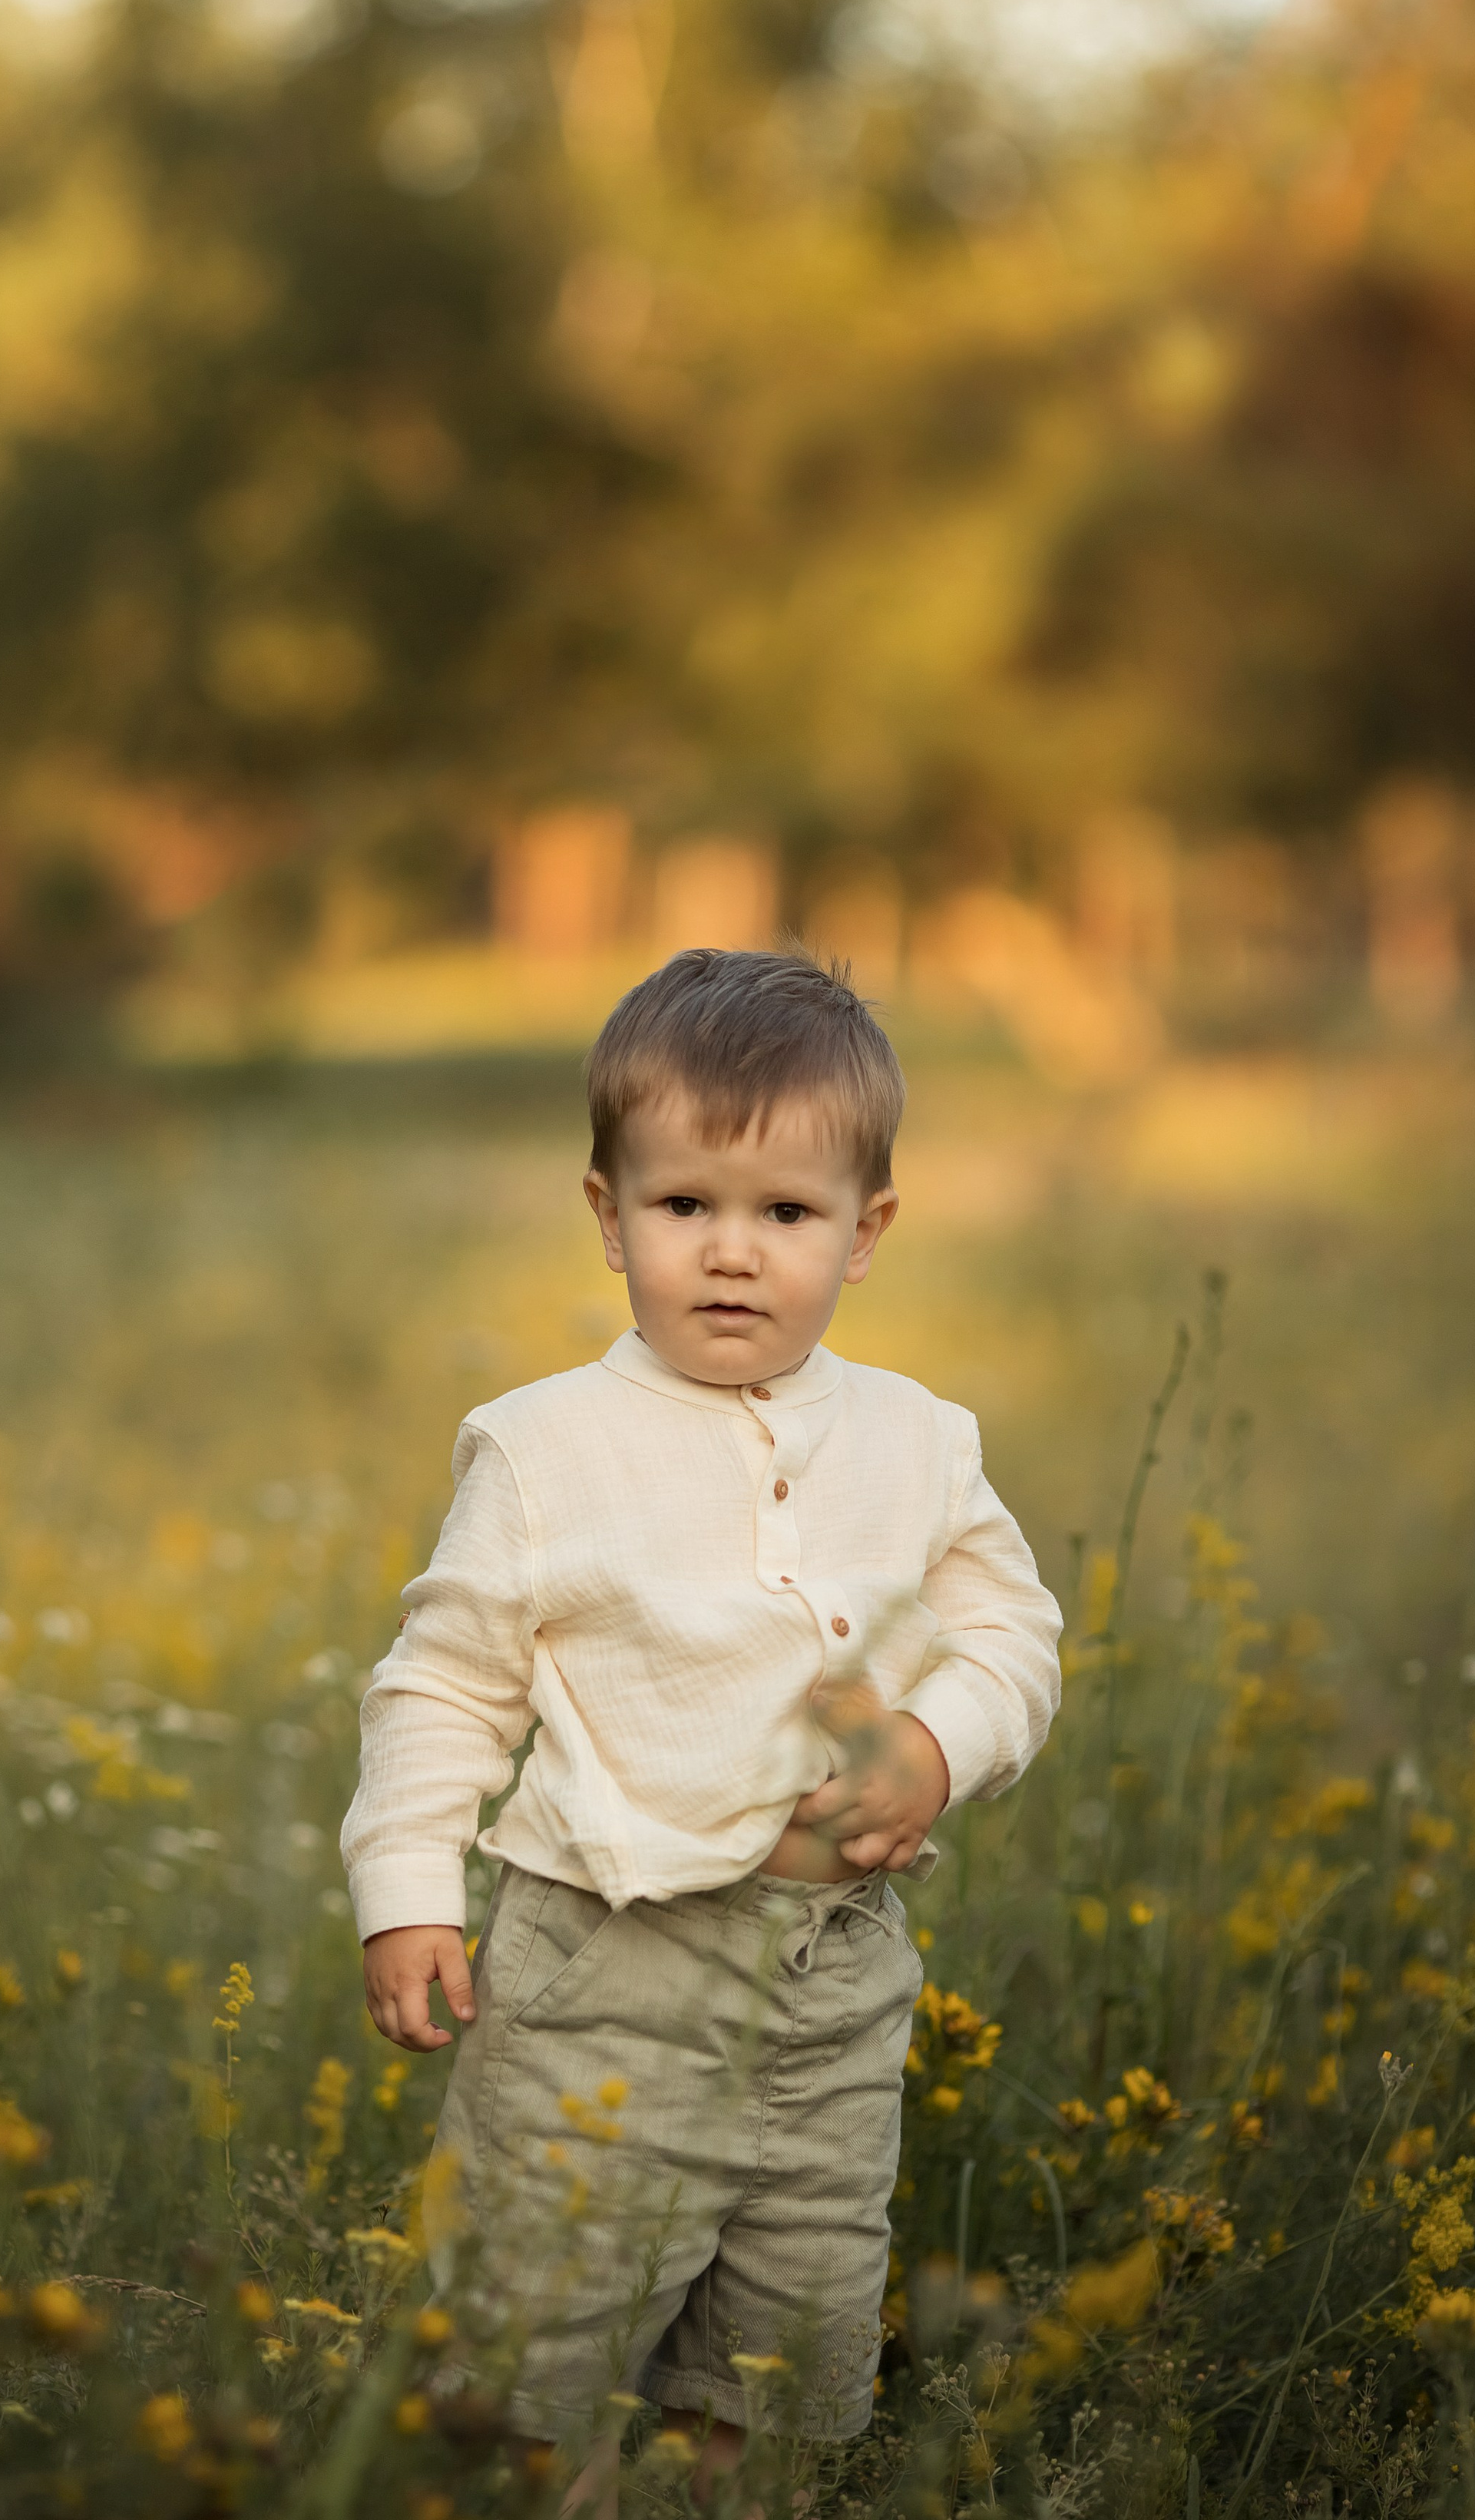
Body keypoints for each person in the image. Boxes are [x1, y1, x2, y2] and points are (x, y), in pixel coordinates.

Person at [342, 946, 1063, 2501]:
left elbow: (1012, 1634)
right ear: (605, 1215)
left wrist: (936, 1742)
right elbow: (443, 1685)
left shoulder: (918, 1442)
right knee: (550, 2337)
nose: (731, 1255)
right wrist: (405, 1892)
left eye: (785, 1216)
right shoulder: (545, 1450)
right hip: (607, 1972)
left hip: (837, 1983)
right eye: (683, 1207)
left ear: (864, 1232)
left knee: (780, 2352)